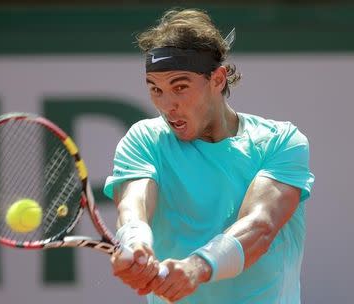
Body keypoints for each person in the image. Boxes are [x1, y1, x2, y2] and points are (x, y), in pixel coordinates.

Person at [103, 8, 314, 304]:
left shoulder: (281, 142)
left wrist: (197, 267)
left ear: (218, 79)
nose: (167, 105)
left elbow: (260, 226)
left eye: (180, 87)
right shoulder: (144, 140)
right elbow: (133, 206)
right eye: (156, 90)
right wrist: (136, 242)